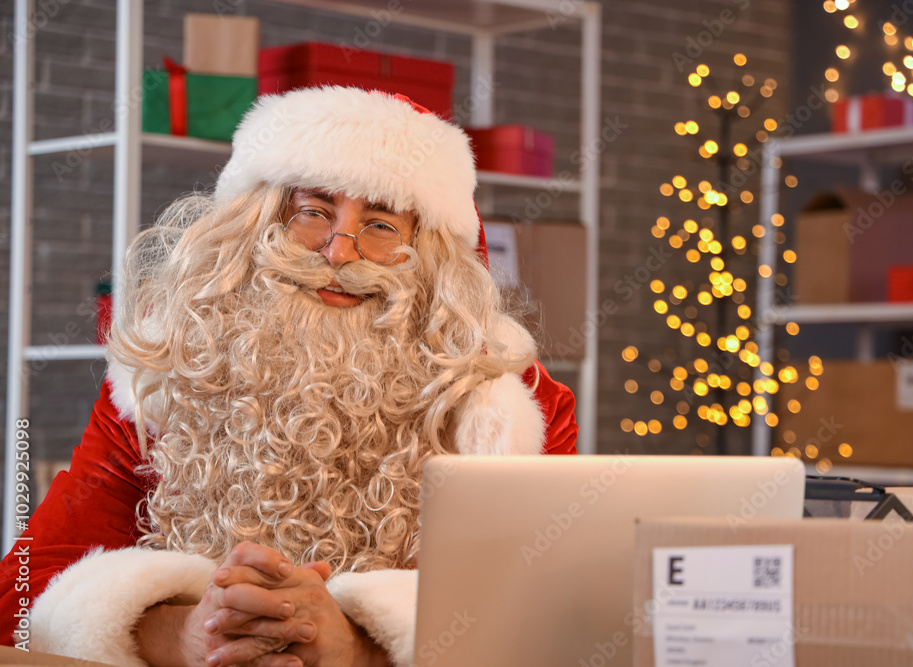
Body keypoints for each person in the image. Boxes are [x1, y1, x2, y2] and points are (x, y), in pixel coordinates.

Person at [0, 86, 577, 667]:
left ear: (430, 257)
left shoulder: (509, 406)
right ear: (256, 222)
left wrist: (358, 644)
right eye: (312, 211)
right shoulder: (160, 381)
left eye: (379, 224)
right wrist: (187, 634)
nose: (338, 253)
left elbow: (551, 613)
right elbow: (20, 596)